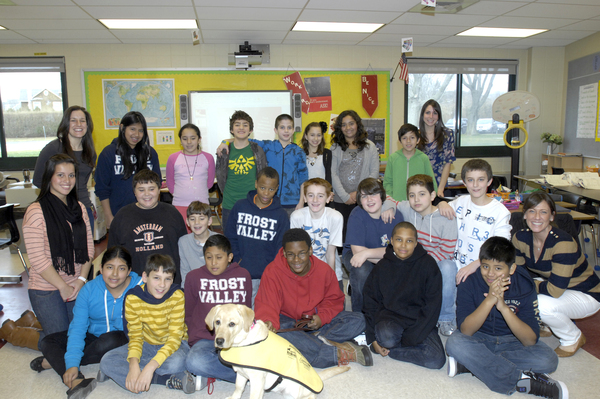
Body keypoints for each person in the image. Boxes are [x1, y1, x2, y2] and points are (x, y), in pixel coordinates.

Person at [446, 237, 567, 398]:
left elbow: (529, 340)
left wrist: (502, 307)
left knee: (548, 360)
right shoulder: (469, 282)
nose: (490, 273)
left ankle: (472, 364)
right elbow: (466, 331)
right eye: (485, 266)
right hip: (479, 338)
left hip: (513, 340)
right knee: (455, 343)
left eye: (498, 268)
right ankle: (521, 382)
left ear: (511, 269)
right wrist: (489, 300)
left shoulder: (525, 284)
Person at [32, 246, 142, 399]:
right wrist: (71, 365)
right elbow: (78, 328)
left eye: (121, 268)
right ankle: (77, 380)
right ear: (101, 268)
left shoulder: (140, 288)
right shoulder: (89, 290)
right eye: (109, 267)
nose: (115, 274)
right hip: (93, 335)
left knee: (111, 340)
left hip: (122, 338)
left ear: (129, 271)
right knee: (47, 342)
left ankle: (53, 361)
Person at [255, 229, 372, 368]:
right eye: (291, 255)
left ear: (310, 251)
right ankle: (340, 353)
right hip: (287, 323)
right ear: (284, 253)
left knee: (359, 320)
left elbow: (335, 301)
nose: (297, 260)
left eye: (302, 253)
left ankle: (308, 343)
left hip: (315, 322)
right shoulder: (272, 271)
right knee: (276, 335)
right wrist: (269, 322)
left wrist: (321, 318)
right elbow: (266, 304)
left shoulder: (324, 270)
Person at [512, 191, 600, 357]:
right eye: (532, 211)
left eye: (543, 212)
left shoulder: (563, 243)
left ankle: (573, 338)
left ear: (552, 216)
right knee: (518, 286)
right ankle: (548, 324)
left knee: (540, 303)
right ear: (524, 214)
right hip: (559, 285)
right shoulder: (520, 238)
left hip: (587, 294)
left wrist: (526, 286)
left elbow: (554, 291)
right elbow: (519, 273)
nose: (537, 217)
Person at [22, 154, 95, 347]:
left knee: (82, 340)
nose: (67, 181)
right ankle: (14, 333)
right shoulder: (36, 211)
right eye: (60, 175)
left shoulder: (79, 208)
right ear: (49, 177)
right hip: (47, 288)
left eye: (71, 176)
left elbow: (88, 248)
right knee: (60, 344)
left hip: (76, 284)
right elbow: (38, 259)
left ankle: (32, 321)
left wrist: (81, 281)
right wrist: (63, 286)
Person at [99, 254, 194, 394]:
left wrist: (149, 367)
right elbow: (135, 337)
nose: (162, 285)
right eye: (156, 278)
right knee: (106, 361)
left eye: (168, 279)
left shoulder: (177, 296)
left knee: (177, 362)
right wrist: (133, 364)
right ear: (145, 277)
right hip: (147, 343)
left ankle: (138, 374)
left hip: (175, 345)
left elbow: (174, 340)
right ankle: (164, 380)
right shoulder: (133, 298)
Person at [363, 222, 446, 370]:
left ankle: (395, 352)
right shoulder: (382, 266)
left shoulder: (428, 265)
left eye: (409, 241)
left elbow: (433, 306)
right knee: (386, 338)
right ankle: (396, 346)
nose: (403, 245)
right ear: (392, 241)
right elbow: (370, 302)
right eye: (399, 239)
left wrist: (412, 337)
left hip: (419, 320)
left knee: (436, 360)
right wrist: (371, 338)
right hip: (391, 319)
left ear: (416, 243)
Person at [386, 174, 458, 336]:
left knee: (448, 266)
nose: (416, 200)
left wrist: (422, 265)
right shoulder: (408, 209)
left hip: (435, 265)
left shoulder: (446, 217)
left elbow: (446, 251)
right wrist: (390, 207)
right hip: (412, 264)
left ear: (433, 196)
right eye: (412, 195)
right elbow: (389, 199)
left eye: (422, 194)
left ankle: (446, 318)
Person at [184, 235, 252, 385]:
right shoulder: (193, 277)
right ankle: (251, 375)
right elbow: (188, 313)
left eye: (219, 257)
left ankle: (215, 373)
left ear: (229, 257)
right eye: (209, 257)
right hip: (206, 340)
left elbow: (246, 311)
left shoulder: (243, 275)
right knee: (194, 361)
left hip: (236, 338)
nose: (213, 263)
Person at [218, 114, 308, 216]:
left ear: (293, 130)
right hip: (270, 199)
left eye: (289, 127)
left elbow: (303, 178)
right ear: (275, 130)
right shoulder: (267, 146)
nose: (286, 131)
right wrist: (224, 141)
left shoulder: (299, 152)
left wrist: (301, 201)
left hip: (292, 202)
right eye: (282, 127)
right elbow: (242, 138)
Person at [438, 159, 511, 284]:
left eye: (481, 180)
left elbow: (500, 248)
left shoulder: (500, 212)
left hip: (482, 270)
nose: (475, 185)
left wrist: (476, 264)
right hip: (456, 269)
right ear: (465, 183)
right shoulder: (460, 202)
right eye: (471, 180)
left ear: (489, 181)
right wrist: (442, 203)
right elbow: (441, 209)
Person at [108, 169, 187, 284]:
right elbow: (113, 253)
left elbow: (183, 249)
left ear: (159, 189)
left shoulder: (172, 213)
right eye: (141, 190)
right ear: (134, 191)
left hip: (169, 281)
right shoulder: (122, 216)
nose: (147, 194)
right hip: (135, 283)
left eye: (151, 189)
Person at [225, 167, 290, 303]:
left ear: (277, 188)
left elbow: (281, 247)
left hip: (265, 276)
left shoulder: (281, 215)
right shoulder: (240, 206)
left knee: (260, 315)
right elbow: (230, 236)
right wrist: (237, 260)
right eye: (262, 188)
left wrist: (272, 269)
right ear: (255, 184)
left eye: (271, 189)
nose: (266, 193)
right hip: (240, 271)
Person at [342, 177, 402, 313]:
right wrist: (383, 261)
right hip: (355, 253)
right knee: (362, 269)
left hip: (381, 255)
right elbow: (357, 251)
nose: (369, 200)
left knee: (397, 269)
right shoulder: (357, 214)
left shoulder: (395, 216)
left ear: (382, 196)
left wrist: (369, 254)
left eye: (373, 194)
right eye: (364, 196)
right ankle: (360, 315)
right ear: (359, 200)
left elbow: (398, 250)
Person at [33, 106, 97, 232]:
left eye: (82, 120)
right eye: (73, 120)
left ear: (87, 125)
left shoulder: (90, 152)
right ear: (66, 123)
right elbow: (38, 180)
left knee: (86, 250)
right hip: (59, 210)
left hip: (83, 208)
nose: (78, 124)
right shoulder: (53, 149)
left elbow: (82, 183)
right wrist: (59, 198)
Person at [95, 111, 161, 229]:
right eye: (132, 129)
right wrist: (108, 216)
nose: (136, 134)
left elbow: (157, 185)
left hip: (147, 216)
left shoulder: (150, 153)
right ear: (122, 128)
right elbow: (102, 189)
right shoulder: (108, 153)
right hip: (119, 216)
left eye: (141, 130)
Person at [330, 110, 380, 241]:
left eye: (351, 123)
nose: (348, 128)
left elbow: (374, 172)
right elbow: (332, 173)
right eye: (344, 124)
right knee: (343, 235)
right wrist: (346, 196)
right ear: (340, 128)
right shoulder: (335, 147)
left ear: (357, 124)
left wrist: (360, 194)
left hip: (364, 199)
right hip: (341, 200)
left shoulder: (370, 147)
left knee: (363, 233)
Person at [215, 110, 267, 229]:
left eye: (245, 125)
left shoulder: (258, 150)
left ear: (251, 130)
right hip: (229, 203)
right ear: (232, 130)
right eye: (237, 125)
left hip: (252, 202)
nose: (241, 127)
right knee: (230, 241)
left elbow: (263, 174)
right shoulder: (224, 151)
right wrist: (225, 141)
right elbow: (220, 175)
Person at [290, 178, 344, 289]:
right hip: (303, 268)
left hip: (328, 268)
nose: (315, 200)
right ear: (304, 197)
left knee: (336, 303)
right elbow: (296, 253)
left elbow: (330, 254)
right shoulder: (297, 217)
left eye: (320, 196)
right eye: (310, 195)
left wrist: (330, 281)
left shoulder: (335, 217)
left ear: (328, 198)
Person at [166, 123, 215, 229]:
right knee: (181, 235)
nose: (189, 142)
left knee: (200, 236)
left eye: (193, 138)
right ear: (180, 140)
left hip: (201, 205)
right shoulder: (173, 158)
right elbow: (170, 181)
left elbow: (210, 182)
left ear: (199, 139)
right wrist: (179, 194)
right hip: (179, 204)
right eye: (185, 138)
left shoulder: (208, 158)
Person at [383, 123, 436, 201]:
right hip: (397, 203)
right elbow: (387, 183)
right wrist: (391, 199)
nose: (408, 141)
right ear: (399, 141)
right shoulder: (393, 158)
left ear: (418, 140)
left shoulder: (423, 158)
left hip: (418, 203)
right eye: (404, 138)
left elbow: (431, 182)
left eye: (412, 137)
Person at [417, 100, 456, 197]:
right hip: (419, 186)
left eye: (435, 113)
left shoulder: (447, 134)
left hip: (439, 185)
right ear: (422, 115)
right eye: (428, 113)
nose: (431, 117)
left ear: (439, 116)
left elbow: (448, 163)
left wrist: (440, 190)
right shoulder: (415, 136)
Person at [178, 201, 220, 289]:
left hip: (216, 287)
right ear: (187, 222)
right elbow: (185, 271)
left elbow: (224, 269)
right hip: (194, 287)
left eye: (201, 218)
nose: (197, 222)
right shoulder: (183, 241)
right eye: (192, 219)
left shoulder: (220, 240)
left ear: (209, 221)